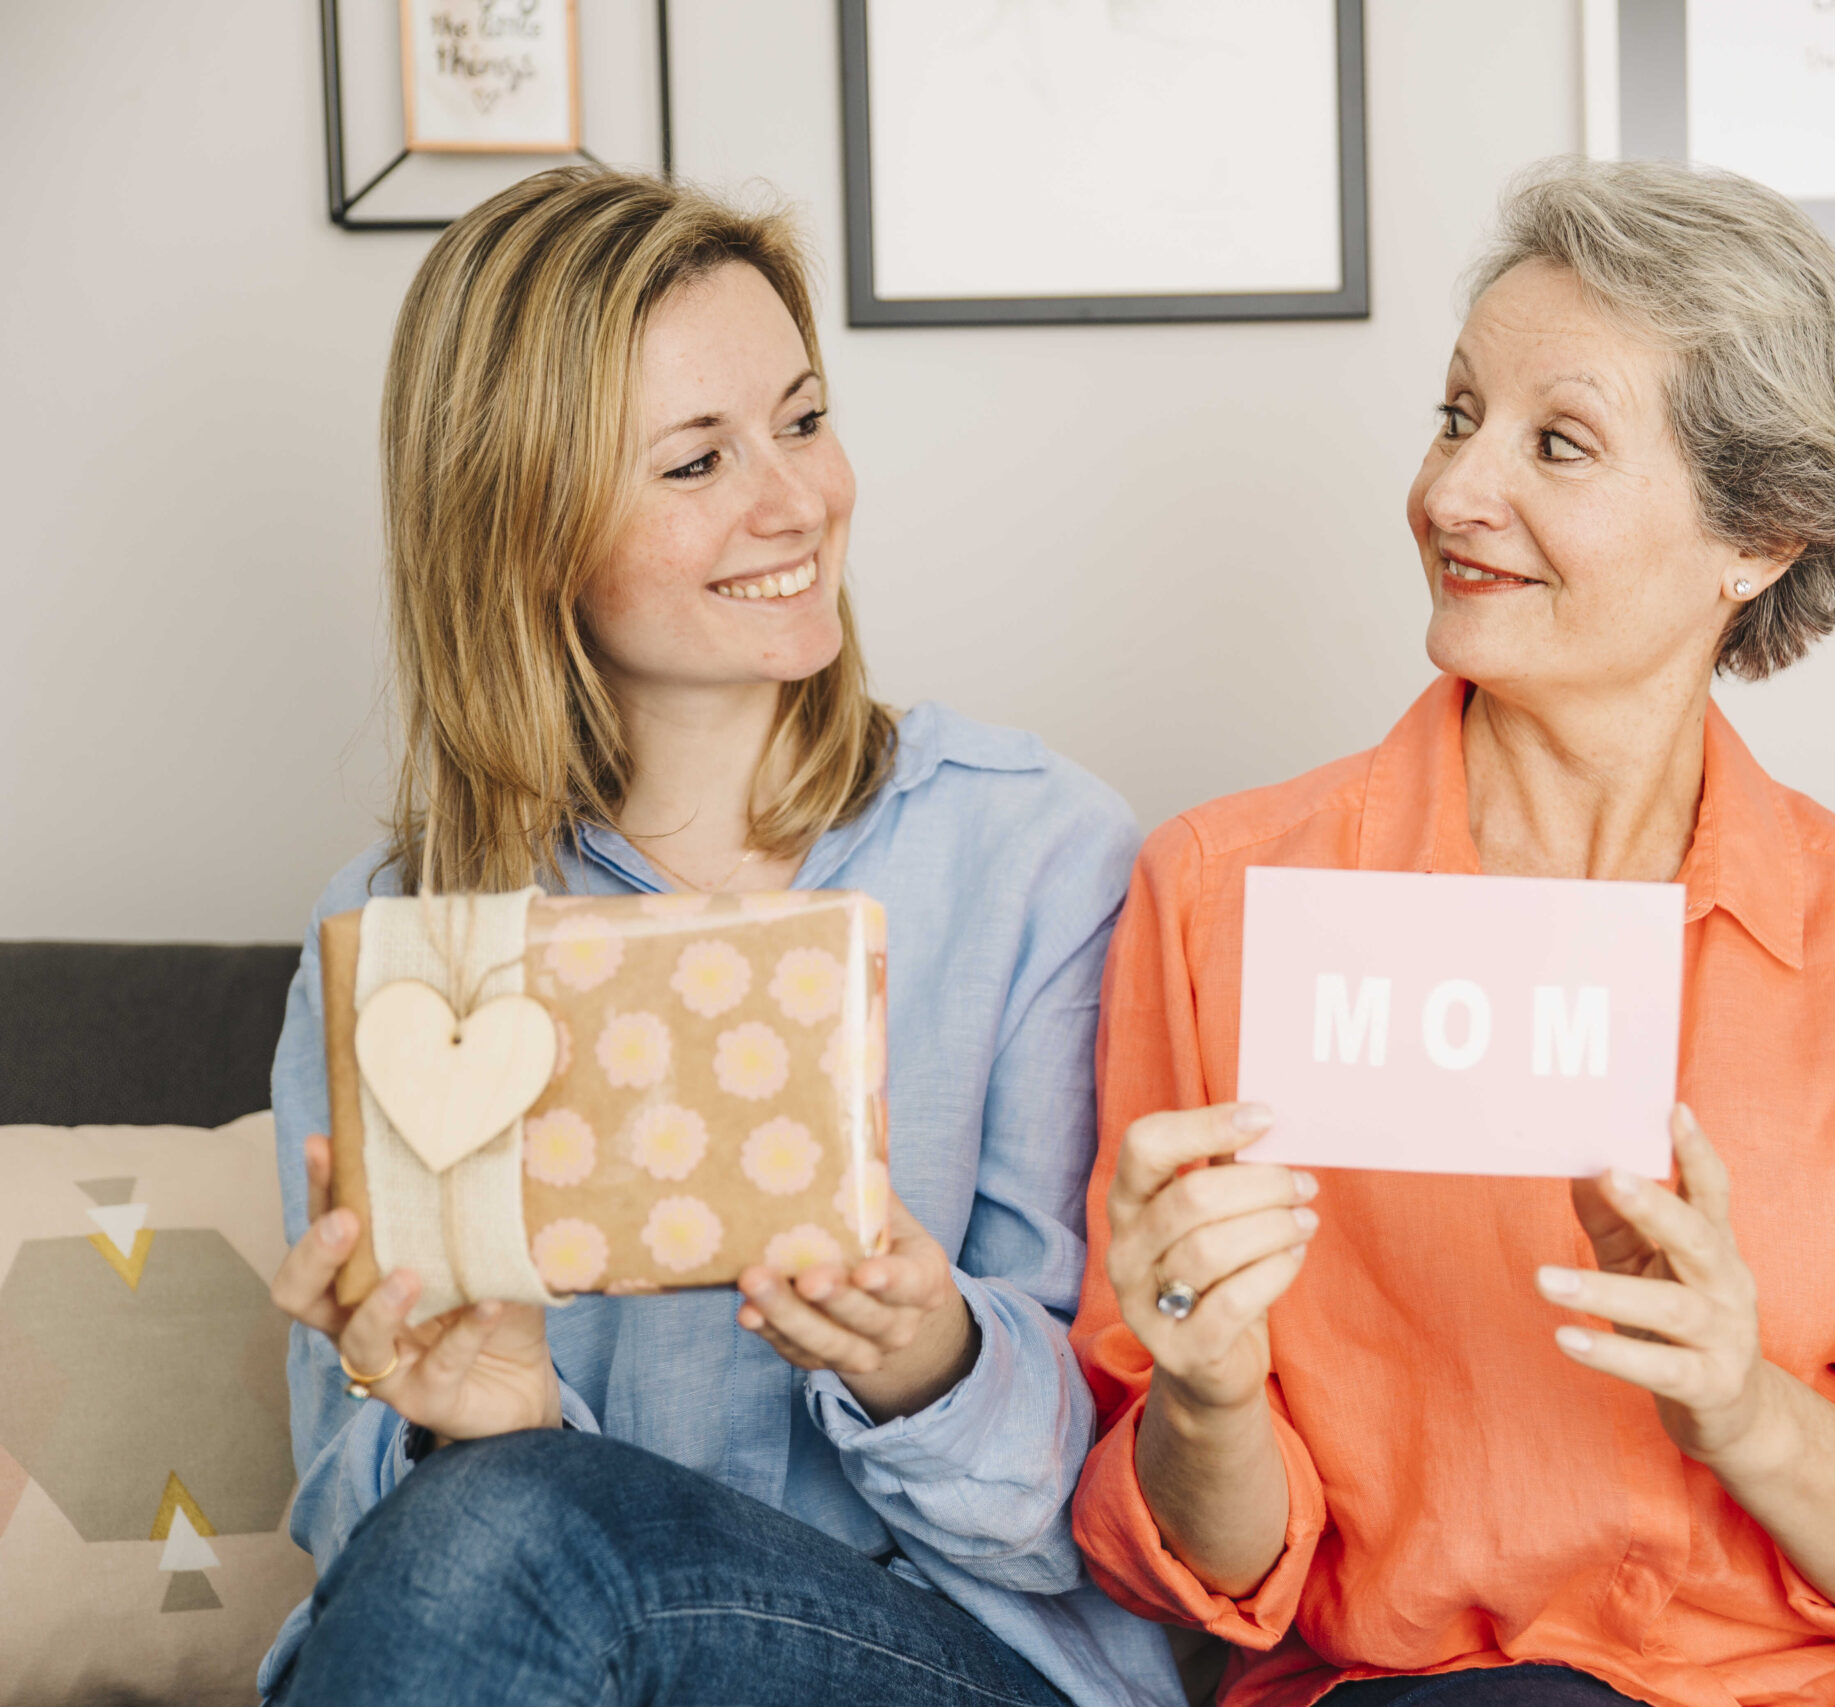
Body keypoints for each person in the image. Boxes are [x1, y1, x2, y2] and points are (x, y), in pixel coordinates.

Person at [1069, 158, 1835, 1707]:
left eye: (1556, 442)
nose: (1450, 493)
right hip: (1462, 1683)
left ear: (1756, 538)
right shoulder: (1220, 898)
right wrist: (1209, 1390)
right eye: (1454, 418)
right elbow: (1209, 1570)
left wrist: (1740, 1406)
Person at [261, 166, 1183, 1707]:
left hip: (958, 1666)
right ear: (528, 533)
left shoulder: (1035, 855)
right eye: (698, 462)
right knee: (495, 1521)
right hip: (561, 1622)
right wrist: (483, 1424)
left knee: (505, 1537)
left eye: (804, 421)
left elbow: (1112, 1510)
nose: (796, 501)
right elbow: (378, 1569)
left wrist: (928, 1360)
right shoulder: (395, 941)